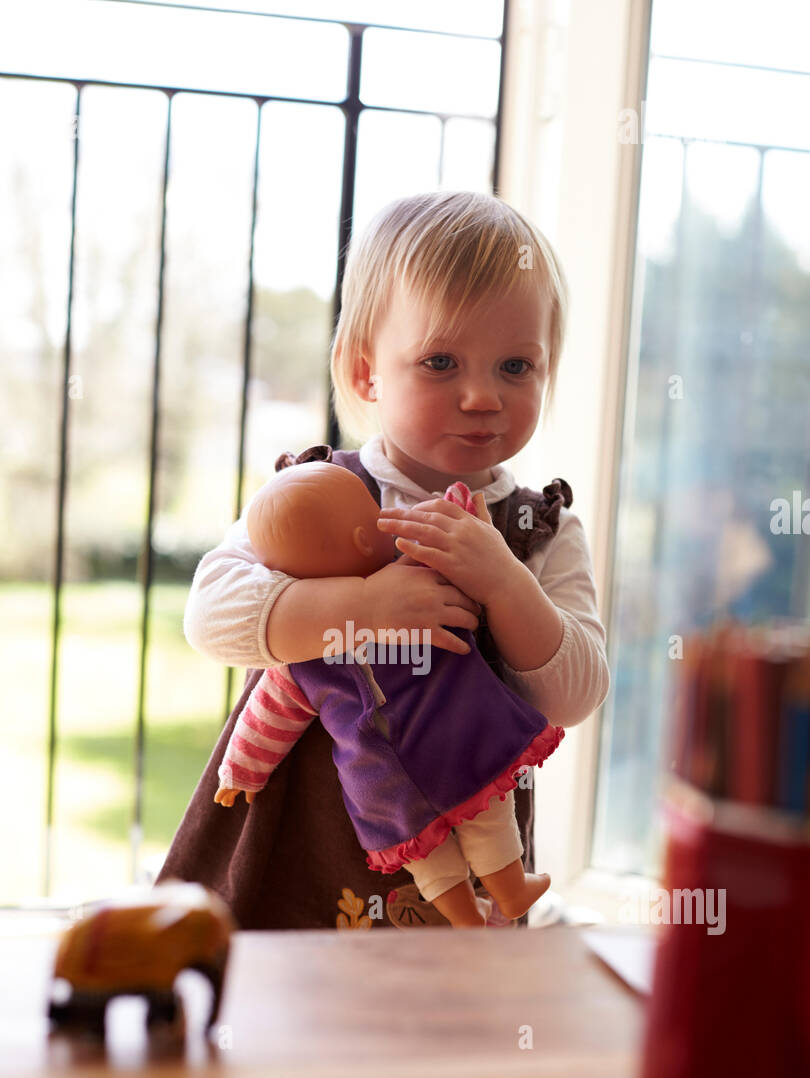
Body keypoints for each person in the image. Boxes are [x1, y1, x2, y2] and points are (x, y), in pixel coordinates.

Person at [156, 190, 610, 930]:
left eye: (516, 367)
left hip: (469, 864)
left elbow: (576, 692)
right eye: (440, 361)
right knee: (290, 1022)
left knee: (447, 1032)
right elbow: (211, 614)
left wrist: (503, 578)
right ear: (366, 373)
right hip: (303, 842)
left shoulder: (539, 529)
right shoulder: (315, 494)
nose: (481, 396)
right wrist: (358, 611)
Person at [213, 462, 563, 926]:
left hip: (380, 782)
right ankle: (511, 889)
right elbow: (459, 517)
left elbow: (266, 719)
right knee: (487, 814)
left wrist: (239, 772)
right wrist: (458, 503)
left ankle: (466, 919)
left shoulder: (302, 657)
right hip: (457, 740)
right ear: (365, 537)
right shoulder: (419, 569)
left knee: (427, 856)